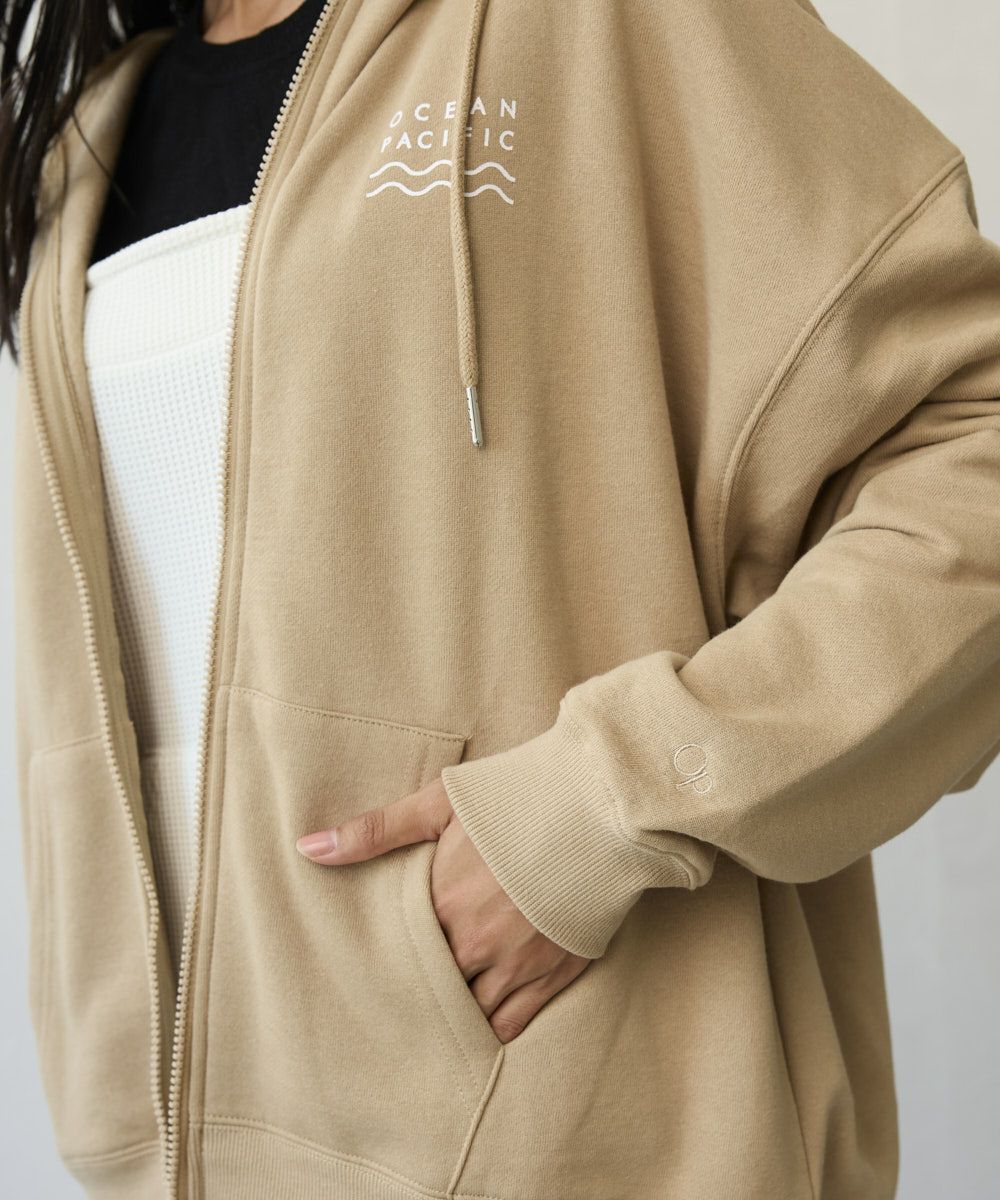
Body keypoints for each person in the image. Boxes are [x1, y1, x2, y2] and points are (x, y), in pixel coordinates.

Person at [1, 0, 998, 1196]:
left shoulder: (594, 23)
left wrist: (600, 806)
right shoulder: (87, 138)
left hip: (572, 1139)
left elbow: (974, 448)